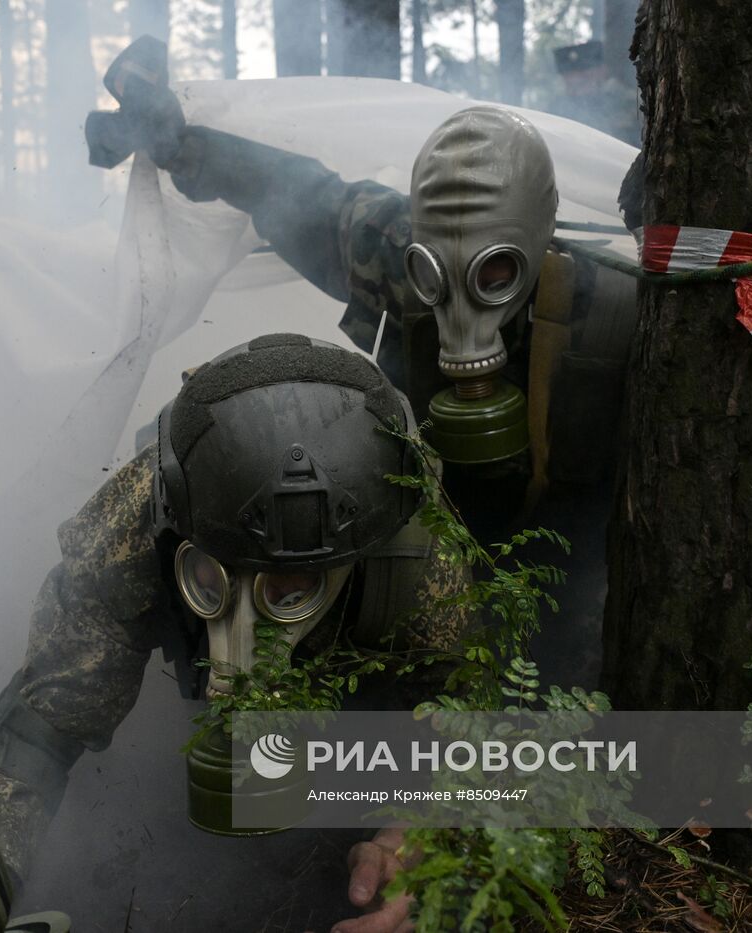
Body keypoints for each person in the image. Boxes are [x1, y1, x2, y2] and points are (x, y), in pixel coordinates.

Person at [0, 335, 473, 933]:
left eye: (285, 592)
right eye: (214, 583)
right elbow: (41, 731)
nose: (241, 645)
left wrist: (415, 833)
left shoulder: (418, 554)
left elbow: (465, 726)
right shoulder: (133, 532)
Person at [88, 36, 640, 689]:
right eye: (436, 271)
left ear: (541, 242)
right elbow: (303, 196)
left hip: (569, 570)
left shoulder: (619, 317)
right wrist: (184, 145)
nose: (460, 302)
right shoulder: (397, 252)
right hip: (421, 547)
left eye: (495, 272)